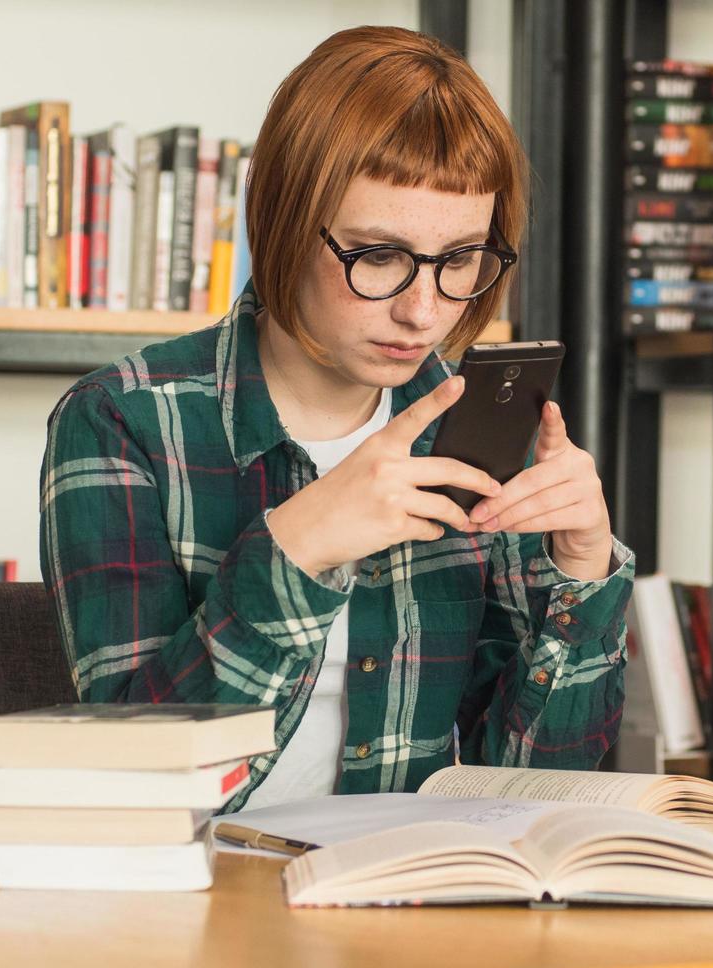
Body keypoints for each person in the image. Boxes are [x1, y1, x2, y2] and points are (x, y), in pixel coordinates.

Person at [38, 26, 635, 812]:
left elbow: (524, 787)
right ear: (284, 222)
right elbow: (133, 788)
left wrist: (582, 574)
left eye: (459, 260)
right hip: (191, 906)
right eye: (377, 256)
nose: (423, 312)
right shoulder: (122, 421)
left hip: (407, 901)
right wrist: (298, 546)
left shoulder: (471, 430)